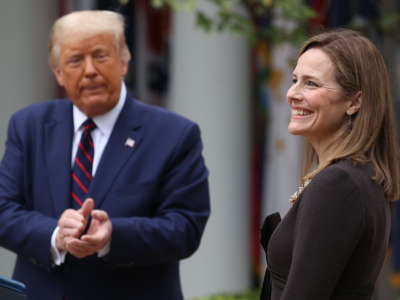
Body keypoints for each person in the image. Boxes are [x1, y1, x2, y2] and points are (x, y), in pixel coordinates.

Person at [0, 10, 210, 300]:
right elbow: (3, 210)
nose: (89, 70)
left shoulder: (174, 134)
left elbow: (186, 227)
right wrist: (54, 235)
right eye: (75, 60)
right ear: (58, 72)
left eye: (100, 56)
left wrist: (113, 236)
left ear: (124, 61)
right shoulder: (29, 126)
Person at [260, 29, 399, 300]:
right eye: (295, 80)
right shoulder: (356, 178)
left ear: (354, 101)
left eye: (311, 84)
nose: (292, 94)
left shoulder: (339, 185)